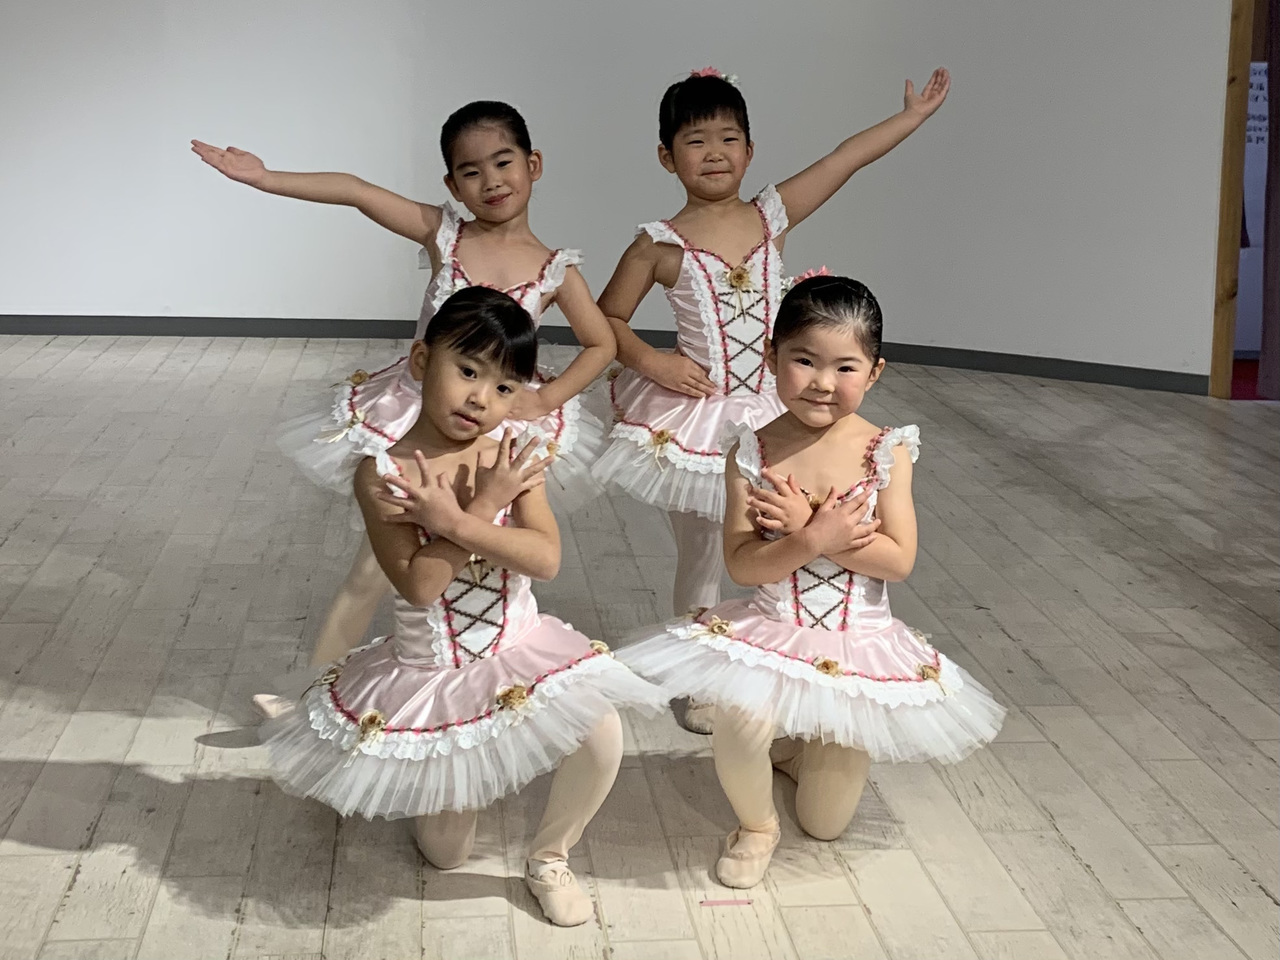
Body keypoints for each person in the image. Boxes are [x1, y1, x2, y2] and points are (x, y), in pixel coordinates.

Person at [262, 287, 664, 925]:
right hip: (434, 672)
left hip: (519, 644)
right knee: (447, 855)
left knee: (603, 730)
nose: (481, 399)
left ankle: (550, 856)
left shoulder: (513, 454)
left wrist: (462, 517)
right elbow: (420, 586)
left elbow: (544, 559)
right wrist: (480, 509)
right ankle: (457, 782)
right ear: (423, 361)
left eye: (505, 387)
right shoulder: (382, 472)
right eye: (468, 371)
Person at [192, 100, 614, 689]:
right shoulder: (446, 234)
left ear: (533, 164)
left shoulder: (554, 269)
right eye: (471, 172)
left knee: (482, 548)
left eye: (503, 163)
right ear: (453, 186)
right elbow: (356, 191)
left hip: (488, 422)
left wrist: (544, 400)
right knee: (375, 568)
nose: (491, 181)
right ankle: (320, 692)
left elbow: (602, 343)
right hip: (414, 414)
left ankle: (479, 668)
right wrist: (266, 178)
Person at [592, 67, 951, 733]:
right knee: (705, 549)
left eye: (729, 139)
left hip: (777, 406)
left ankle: (783, 659)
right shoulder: (658, 244)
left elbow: (844, 159)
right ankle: (699, 680)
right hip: (700, 417)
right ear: (667, 156)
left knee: (785, 538)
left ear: (750, 150)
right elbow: (605, 319)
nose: (715, 153)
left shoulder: (770, 216)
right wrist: (654, 361)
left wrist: (910, 118)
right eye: (696, 141)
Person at [618, 276, 1004, 888]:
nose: (823, 382)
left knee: (825, 825)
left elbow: (898, 561)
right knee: (738, 720)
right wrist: (808, 539)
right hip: (774, 628)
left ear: (874, 373)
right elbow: (743, 565)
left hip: (857, 643)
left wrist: (814, 529)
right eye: (804, 361)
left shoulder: (886, 451)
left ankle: (794, 752)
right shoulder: (751, 451)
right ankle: (756, 826)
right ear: (772, 358)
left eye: (844, 367)